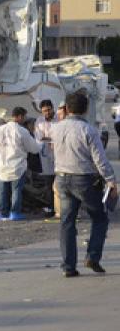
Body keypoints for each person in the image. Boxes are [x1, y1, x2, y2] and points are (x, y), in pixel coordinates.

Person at [52, 92, 117, 277]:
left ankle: (68, 266)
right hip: (84, 179)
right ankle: (93, 256)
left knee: (67, 222)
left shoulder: (56, 128)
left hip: (62, 178)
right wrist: (111, 181)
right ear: (86, 109)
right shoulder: (88, 130)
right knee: (100, 218)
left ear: (67, 108)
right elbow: (100, 160)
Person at [0, 107, 42, 221]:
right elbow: (33, 148)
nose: (24, 119)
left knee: (2, 191)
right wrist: (41, 144)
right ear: (20, 116)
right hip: (17, 166)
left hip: (3, 165)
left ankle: (1, 213)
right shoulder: (21, 131)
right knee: (16, 191)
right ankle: (14, 213)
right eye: (24, 117)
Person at [34, 100, 58, 217]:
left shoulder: (59, 119)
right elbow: (38, 138)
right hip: (46, 157)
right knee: (49, 184)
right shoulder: (39, 121)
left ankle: (61, 208)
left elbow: (59, 137)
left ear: (53, 108)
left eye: (48, 110)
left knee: (60, 184)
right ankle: (51, 207)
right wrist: (50, 139)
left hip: (59, 157)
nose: (47, 113)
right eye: (44, 111)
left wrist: (47, 139)